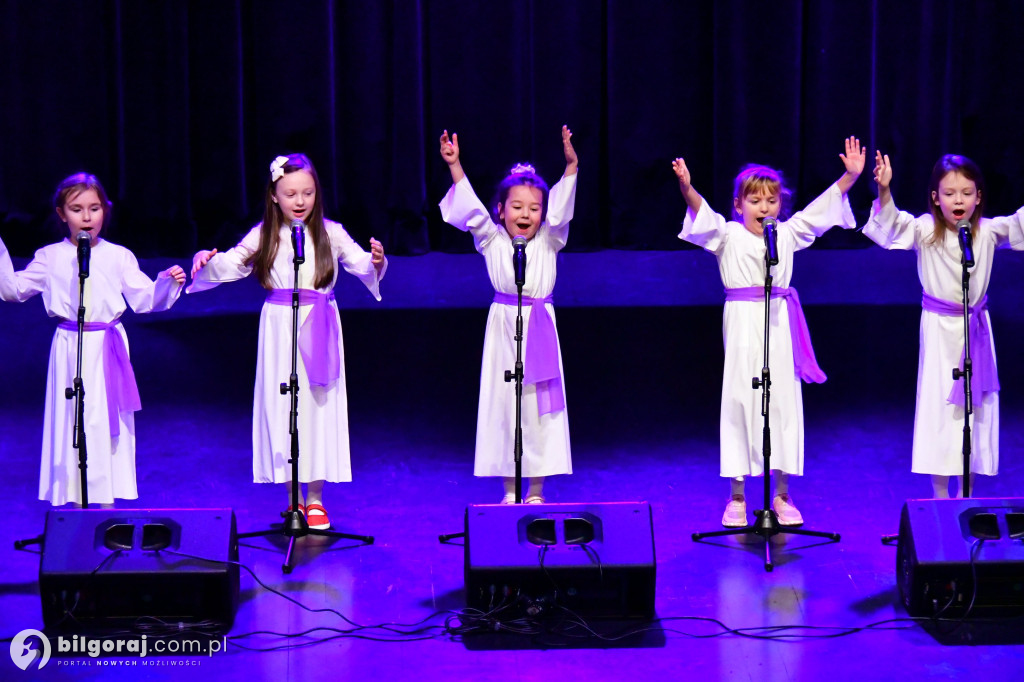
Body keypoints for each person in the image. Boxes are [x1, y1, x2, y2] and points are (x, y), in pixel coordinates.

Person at [672, 137, 864, 527]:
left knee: (783, 404)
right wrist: (687, 188)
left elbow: (820, 211)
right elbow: (701, 214)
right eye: (755, 200)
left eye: (771, 201)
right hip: (743, 321)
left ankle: (782, 494)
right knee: (742, 398)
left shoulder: (787, 234)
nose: (764, 208)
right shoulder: (728, 235)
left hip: (779, 321)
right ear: (739, 205)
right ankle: (738, 495)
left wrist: (849, 176)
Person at [189, 154, 385, 529]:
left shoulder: (331, 232)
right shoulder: (264, 233)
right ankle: (293, 499)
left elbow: (361, 264)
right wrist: (206, 260)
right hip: (280, 325)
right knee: (285, 406)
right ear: (275, 196)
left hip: (320, 321)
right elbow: (233, 263)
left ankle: (315, 498)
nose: (300, 201)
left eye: (307, 193)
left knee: (317, 404)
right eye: (291, 193)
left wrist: (375, 261)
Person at [0, 172, 185, 506]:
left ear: (105, 210)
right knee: (72, 419)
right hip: (69, 347)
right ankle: (72, 507)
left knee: (104, 421)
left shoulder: (119, 256)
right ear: (61, 213)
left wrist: (166, 282)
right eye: (77, 209)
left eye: (95, 208)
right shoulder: (50, 256)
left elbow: (144, 299)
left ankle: (106, 506)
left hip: (107, 346)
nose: (87, 217)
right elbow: (13, 289)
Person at [865, 152, 1023, 498]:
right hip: (939, 330)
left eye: (967, 193)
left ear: (978, 196)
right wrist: (885, 190)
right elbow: (891, 225)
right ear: (935, 198)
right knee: (941, 409)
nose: (958, 200)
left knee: (975, 410)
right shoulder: (925, 230)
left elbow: (1020, 222)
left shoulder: (988, 232)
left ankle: (967, 496)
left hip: (977, 330)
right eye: (949, 193)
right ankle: (939, 498)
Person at [439, 126, 578, 504]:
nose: (525, 214)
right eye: (516, 207)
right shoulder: (492, 238)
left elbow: (563, 211)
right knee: (505, 405)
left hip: (539, 325)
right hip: (503, 325)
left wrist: (570, 167)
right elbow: (468, 208)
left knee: (538, 407)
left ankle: (535, 491)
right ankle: (510, 490)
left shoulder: (551, 239)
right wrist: (455, 165)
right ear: (500, 210)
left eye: (534, 209)